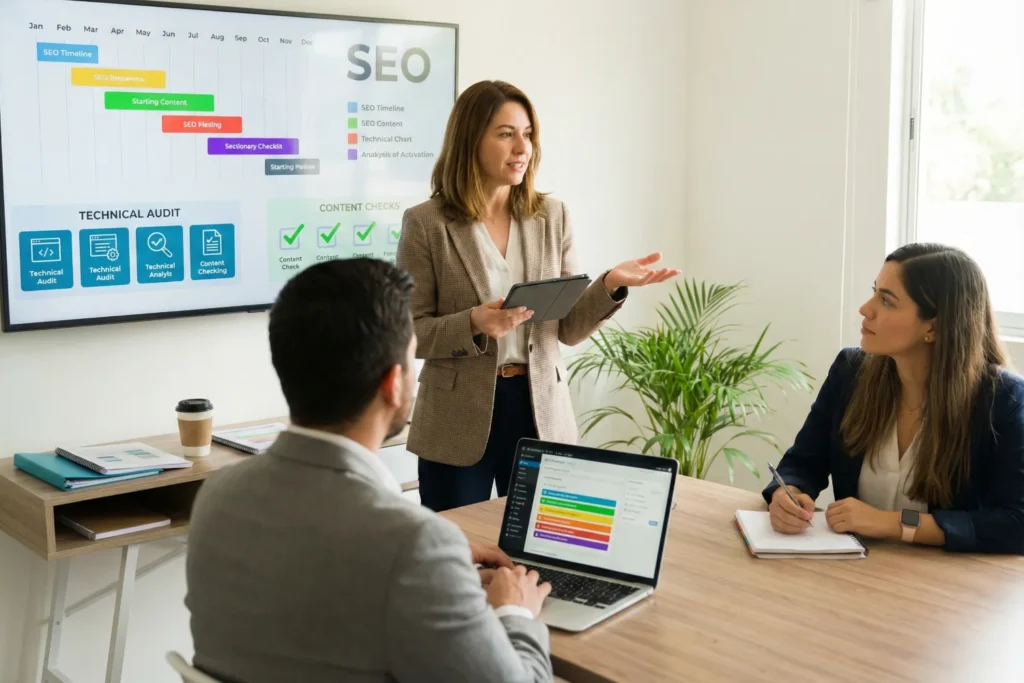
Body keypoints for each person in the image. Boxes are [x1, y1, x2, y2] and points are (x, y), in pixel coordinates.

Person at [185, 258, 555, 683]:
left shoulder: (218, 495)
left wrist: (439, 563)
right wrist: (516, 611)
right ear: (393, 383)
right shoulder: (412, 543)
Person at [397, 80, 680, 512]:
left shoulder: (552, 215)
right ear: (470, 139)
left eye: (527, 134)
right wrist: (474, 322)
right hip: (455, 418)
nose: (522, 148)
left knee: (540, 556)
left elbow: (565, 329)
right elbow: (410, 331)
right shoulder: (426, 223)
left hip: (539, 410)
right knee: (455, 559)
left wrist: (609, 286)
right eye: (506, 133)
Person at [764, 243, 1024, 554]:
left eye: (886, 301)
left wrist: (894, 523)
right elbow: (802, 463)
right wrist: (787, 492)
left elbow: (1015, 523)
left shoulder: (1004, 400)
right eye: (875, 291)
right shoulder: (850, 372)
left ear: (935, 326)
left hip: (949, 587)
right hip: (854, 572)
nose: (865, 308)